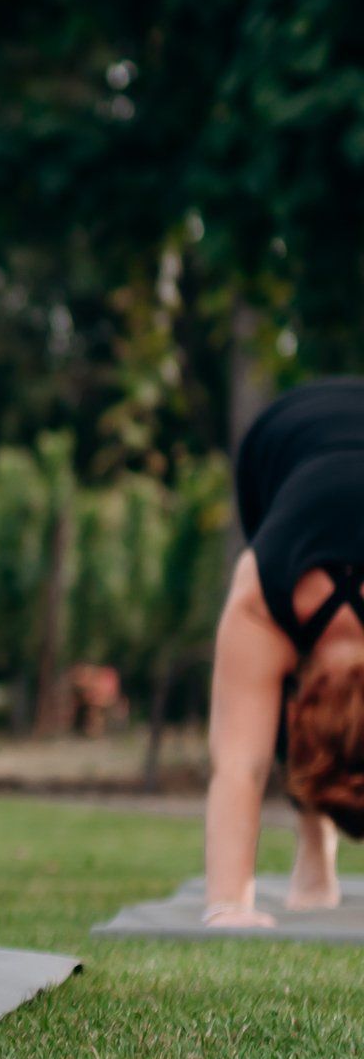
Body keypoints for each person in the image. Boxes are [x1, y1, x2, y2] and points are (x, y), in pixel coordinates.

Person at [203, 378, 364, 926]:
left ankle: (317, 852)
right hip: (277, 445)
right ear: (294, 716)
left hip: (307, 431)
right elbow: (239, 763)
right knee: (256, 685)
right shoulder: (262, 595)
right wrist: (228, 905)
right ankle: (313, 842)